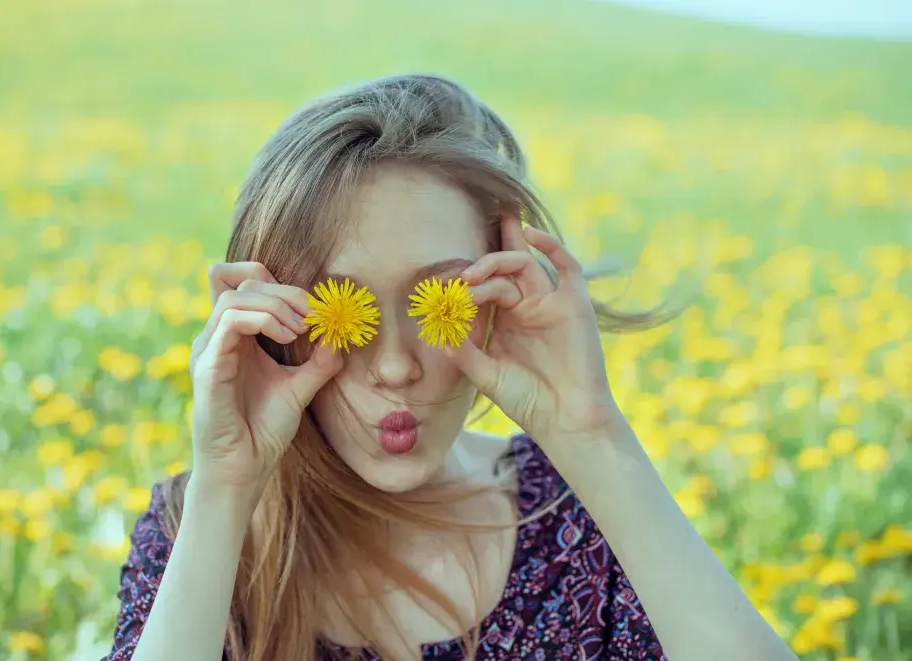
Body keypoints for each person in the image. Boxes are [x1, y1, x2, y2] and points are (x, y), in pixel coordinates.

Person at [104, 74, 798, 661]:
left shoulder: (577, 514)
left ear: (501, 290)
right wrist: (225, 488)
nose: (396, 366)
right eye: (337, 311)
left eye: (438, 300)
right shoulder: (190, 533)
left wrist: (594, 435)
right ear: (269, 321)